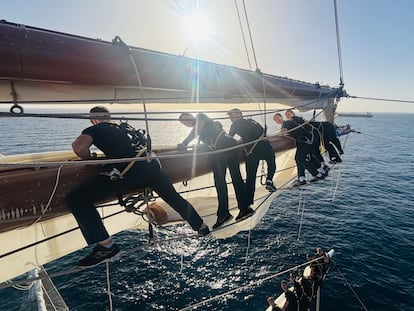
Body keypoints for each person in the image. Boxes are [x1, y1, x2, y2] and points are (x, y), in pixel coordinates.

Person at [66, 106, 210, 267]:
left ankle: (107, 247)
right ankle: (201, 227)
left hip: (132, 172)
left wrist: (90, 158)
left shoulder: (95, 128)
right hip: (152, 166)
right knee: (173, 198)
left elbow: (79, 147)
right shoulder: (125, 127)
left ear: (93, 119)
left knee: (76, 199)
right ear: (110, 116)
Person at [178, 112, 254, 229]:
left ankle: (226, 213)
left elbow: (197, 130)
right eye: (183, 122)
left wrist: (184, 143)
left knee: (222, 181)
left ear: (191, 115)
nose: (186, 122)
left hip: (222, 148)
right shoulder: (202, 126)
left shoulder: (200, 116)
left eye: (186, 119)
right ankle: (244, 209)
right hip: (227, 145)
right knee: (233, 178)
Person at [227, 108, 277, 206]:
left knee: (251, 176)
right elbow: (262, 130)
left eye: (231, 115)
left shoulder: (235, 125)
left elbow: (229, 138)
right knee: (271, 162)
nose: (230, 117)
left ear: (239, 114)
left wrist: (240, 140)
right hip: (264, 145)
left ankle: (249, 201)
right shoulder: (251, 121)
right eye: (229, 116)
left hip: (252, 150)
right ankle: (269, 180)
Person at [273, 113, 322, 186]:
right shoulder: (286, 124)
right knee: (301, 160)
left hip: (304, 141)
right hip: (304, 141)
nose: (277, 120)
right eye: (276, 120)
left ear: (281, 117)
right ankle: (314, 175)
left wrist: (273, 135)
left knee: (299, 159)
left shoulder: (287, 123)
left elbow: (284, 132)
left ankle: (305, 178)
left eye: (278, 118)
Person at [285, 110, 328, 176]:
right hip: (309, 139)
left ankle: (314, 174)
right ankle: (321, 171)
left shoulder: (295, 120)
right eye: (286, 115)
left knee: (301, 159)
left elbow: (300, 130)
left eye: (288, 114)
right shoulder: (297, 121)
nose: (287, 116)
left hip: (306, 140)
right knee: (310, 156)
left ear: (293, 113)